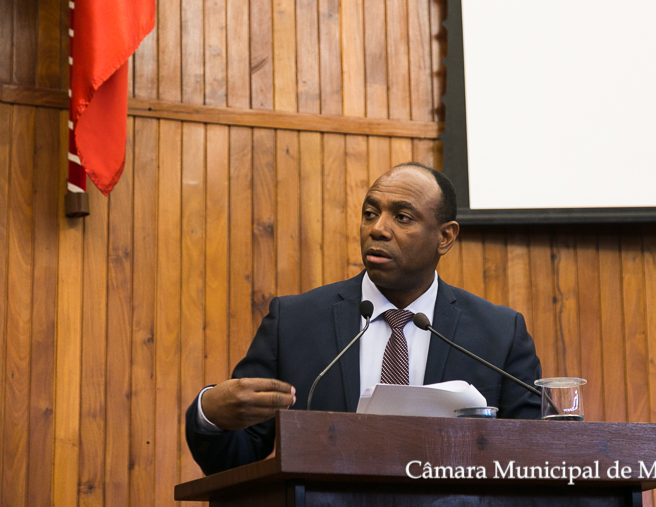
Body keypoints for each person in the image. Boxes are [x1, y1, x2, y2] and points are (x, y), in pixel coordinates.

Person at [186, 163, 542, 475]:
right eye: (370, 213)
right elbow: (239, 457)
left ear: (445, 237)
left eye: (402, 217)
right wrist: (209, 414)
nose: (377, 229)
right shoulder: (294, 322)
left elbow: (534, 454)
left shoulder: (500, 334)